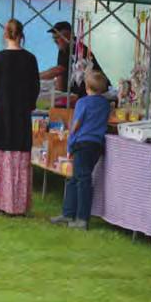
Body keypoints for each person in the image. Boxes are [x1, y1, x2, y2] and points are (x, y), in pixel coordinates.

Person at [0, 19, 40, 216]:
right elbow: (35, 88)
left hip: (2, 112)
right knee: (19, 157)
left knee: (0, 155)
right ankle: (17, 204)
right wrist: (29, 105)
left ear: (5, 35)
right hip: (20, 114)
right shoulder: (30, 59)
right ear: (21, 35)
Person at [50, 70, 111, 230]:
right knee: (75, 178)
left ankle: (81, 218)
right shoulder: (105, 104)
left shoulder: (82, 103)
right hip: (96, 145)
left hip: (82, 143)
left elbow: (75, 125)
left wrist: (70, 145)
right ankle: (68, 212)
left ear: (86, 86)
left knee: (82, 179)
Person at [39, 21, 103, 96]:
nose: (55, 41)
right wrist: (60, 94)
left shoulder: (76, 47)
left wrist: (34, 77)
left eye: (58, 37)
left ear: (68, 35)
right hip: (79, 93)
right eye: (54, 38)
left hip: (94, 92)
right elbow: (61, 74)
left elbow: (59, 70)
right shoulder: (63, 49)